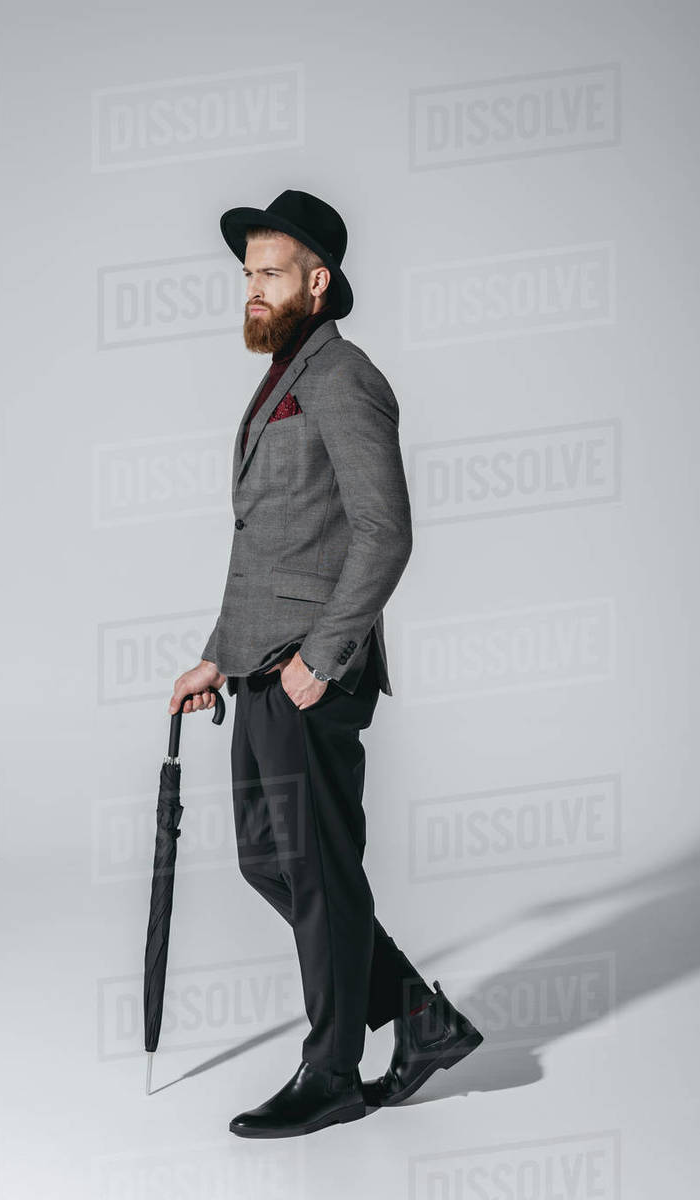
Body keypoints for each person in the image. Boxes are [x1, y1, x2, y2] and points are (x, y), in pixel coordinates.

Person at [168, 190, 482, 1138]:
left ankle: (332, 1070)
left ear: (319, 281)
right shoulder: (281, 376)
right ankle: (422, 1020)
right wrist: (217, 657)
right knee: (276, 864)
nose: (251, 291)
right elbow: (270, 542)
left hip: (311, 676)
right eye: (247, 275)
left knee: (316, 870)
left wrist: (323, 655)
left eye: (268, 274)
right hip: (257, 667)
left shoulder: (342, 378)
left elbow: (384, 534)